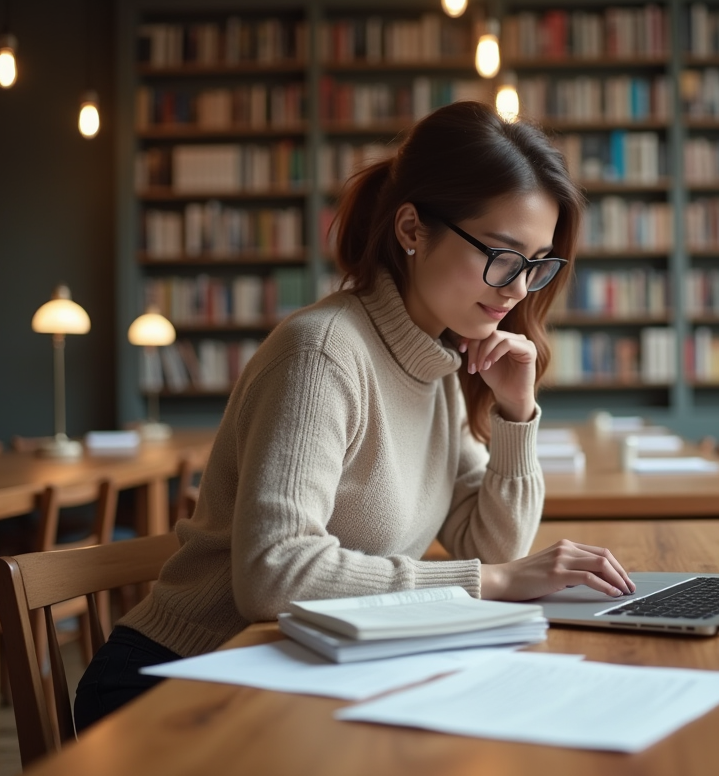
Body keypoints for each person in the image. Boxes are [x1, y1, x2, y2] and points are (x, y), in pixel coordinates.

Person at [74, 101, 635, 730]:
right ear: (412, 230)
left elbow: (492, 544)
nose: (516, 288)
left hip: (306, 673)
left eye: (535, 264)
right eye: (502, 255)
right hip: (180, 682)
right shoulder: (322, 354)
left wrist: (515, 411)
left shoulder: (442, 366)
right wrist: (494, 583)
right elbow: (273, 572)